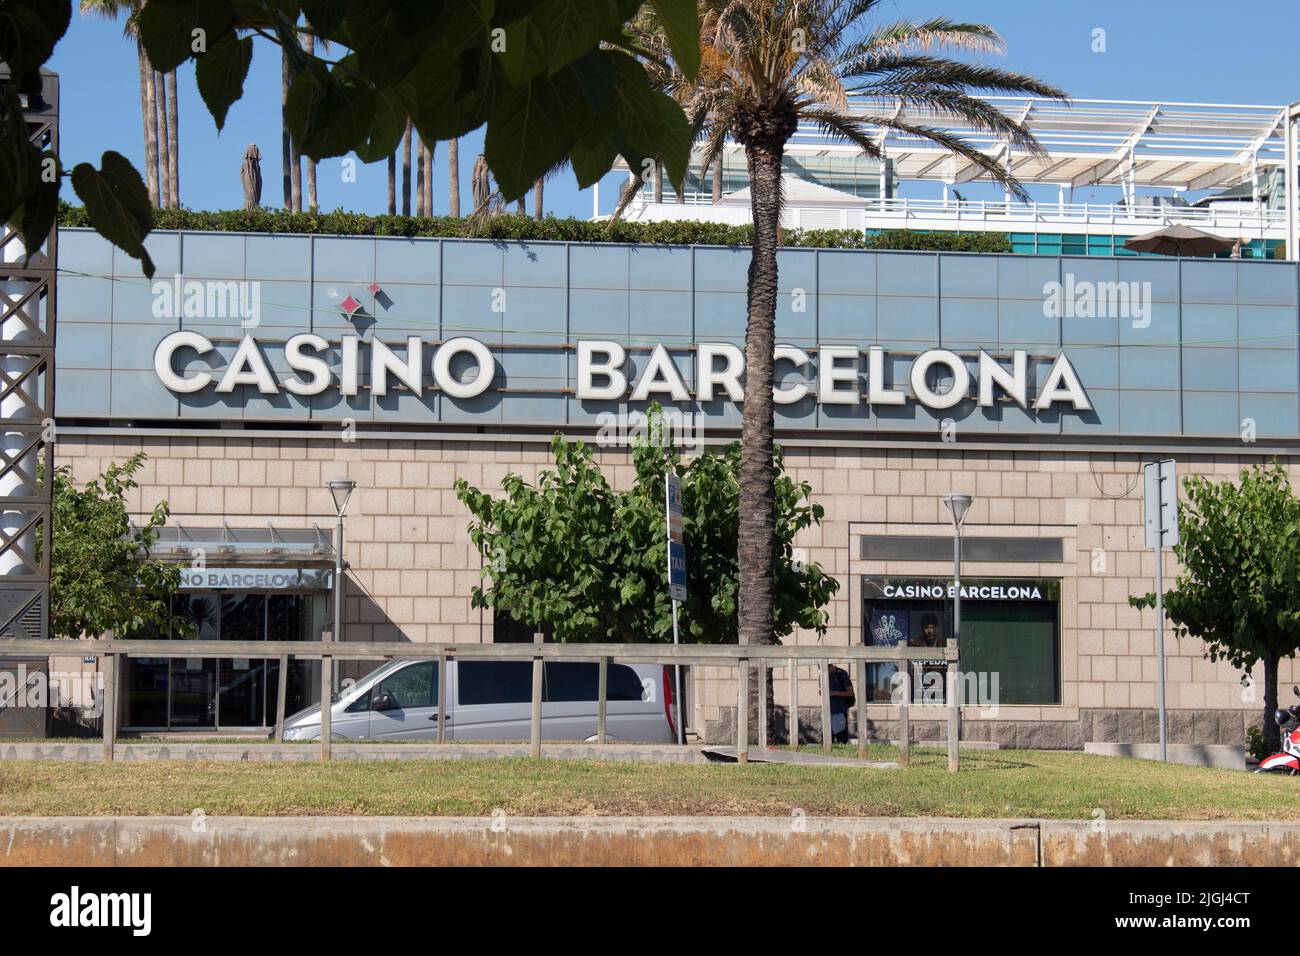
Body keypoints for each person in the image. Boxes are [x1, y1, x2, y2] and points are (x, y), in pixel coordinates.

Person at [827, 662, 855, 744]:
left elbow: (850, 693)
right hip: (827, 712)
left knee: (842, 740)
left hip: (840, 712)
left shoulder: (841, 673)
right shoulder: (823, 674)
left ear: (830, 666)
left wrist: (834, 693)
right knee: (826, 741)